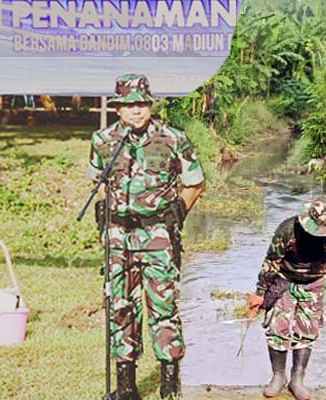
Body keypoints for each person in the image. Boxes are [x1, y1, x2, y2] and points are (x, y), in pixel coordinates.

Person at [87, 74, 205, 400]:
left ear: (150, 105)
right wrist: (102, 219)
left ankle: (169, 387)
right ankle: (126, 389)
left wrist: (178, 212)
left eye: (141, 104)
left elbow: (195, 183)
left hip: (158, 237)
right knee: (120, 306)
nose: (136, 111)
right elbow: (97, 185)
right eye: (129, 105)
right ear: (118, 109)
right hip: (118, 237)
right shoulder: (103, 141)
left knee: (163, 307)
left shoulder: (172, 138)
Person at [248, 195, 326, 400]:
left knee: (307, 330)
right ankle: (278, 377)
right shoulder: (288, 230)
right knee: (278, 328)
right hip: (285, 282)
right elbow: (271, 262)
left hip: (315, 283)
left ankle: (297, 380)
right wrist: (260, 293)